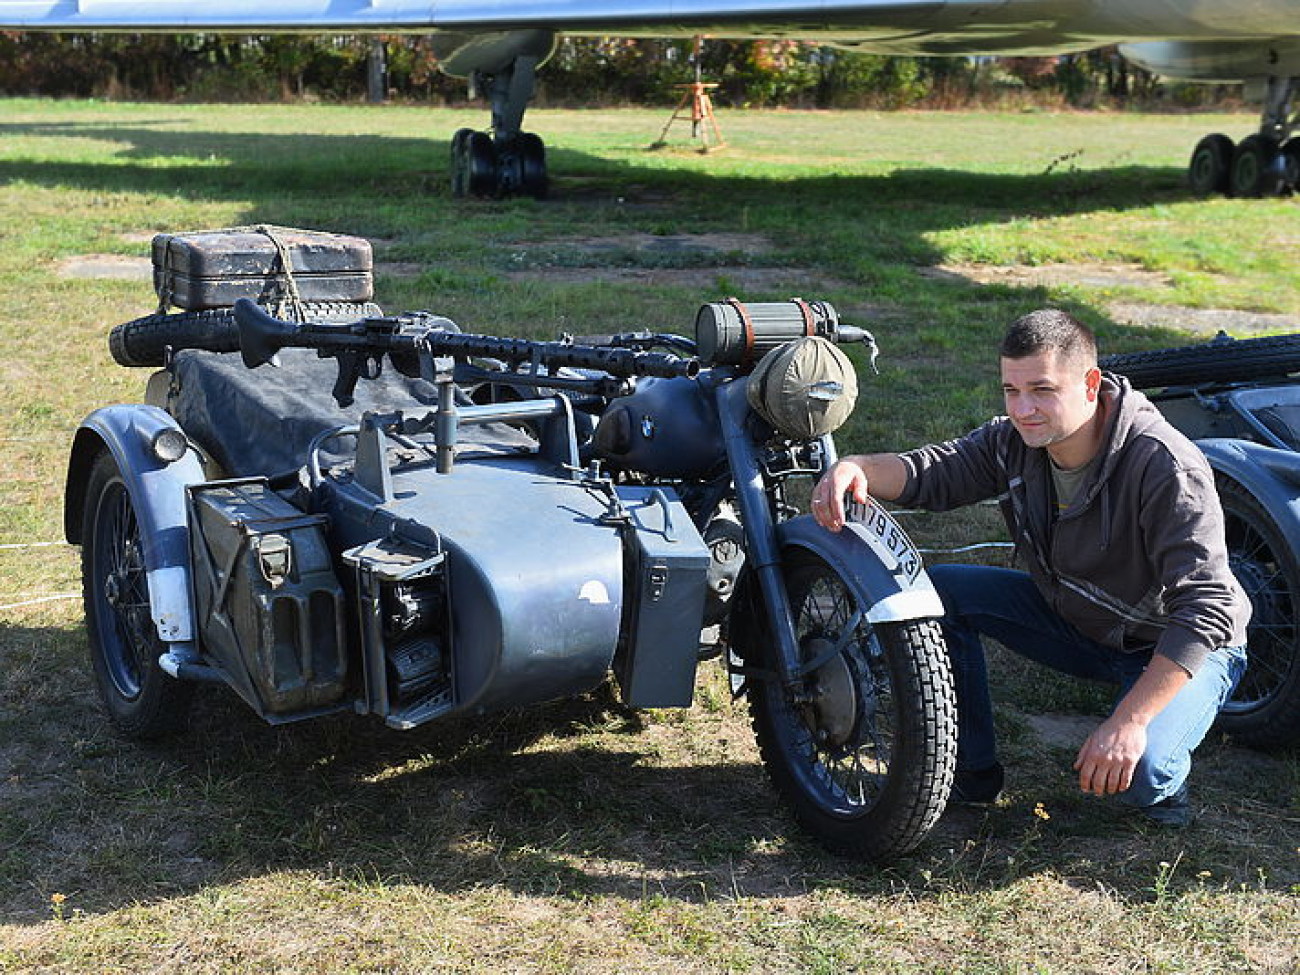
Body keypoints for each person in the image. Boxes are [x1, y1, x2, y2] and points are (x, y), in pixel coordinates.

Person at [809, 308, 1249, 826]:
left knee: (1144, 773)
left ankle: (1163, 781)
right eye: (1011, 390)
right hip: (1083, 623)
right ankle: (968, 774)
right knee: (944, 592)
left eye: (1041, 390)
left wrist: (1130, 721)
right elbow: (932, 473)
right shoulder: (1016, 439)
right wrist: (854, 467)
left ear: (1090, 383)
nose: (1024, 409)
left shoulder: (1164, 465)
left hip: (1176, 642)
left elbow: (1205, 610)